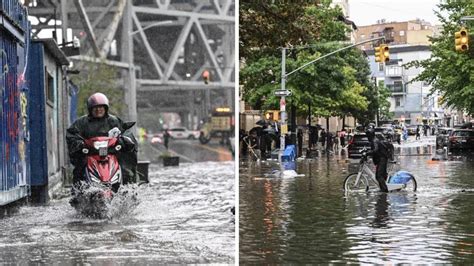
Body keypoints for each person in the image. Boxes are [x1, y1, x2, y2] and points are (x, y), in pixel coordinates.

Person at [66, 92, 138, 192]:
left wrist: (124, 140)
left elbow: (125, 131)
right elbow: (72, 134)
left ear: (106, 108)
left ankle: (130, 190)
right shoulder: (82, 122)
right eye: (95, 108)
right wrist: (79, 144)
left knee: (126, 168)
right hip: (90, 154)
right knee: (79, 169)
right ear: (90, 109)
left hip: (112, 153)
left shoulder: (114, 120)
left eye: (101, 107)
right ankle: (78, 194)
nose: (98, 110)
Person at [366, 128, 394, 193]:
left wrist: (368, 153)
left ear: (370, 135)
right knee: (381, 175)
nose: (367, 137)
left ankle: (384, 190)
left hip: (382, 159)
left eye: (368, 135)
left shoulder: (374, 141)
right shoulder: (374, 140)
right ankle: (384, 187)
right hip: (381, 159)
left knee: (379, 176)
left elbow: (375, 150)